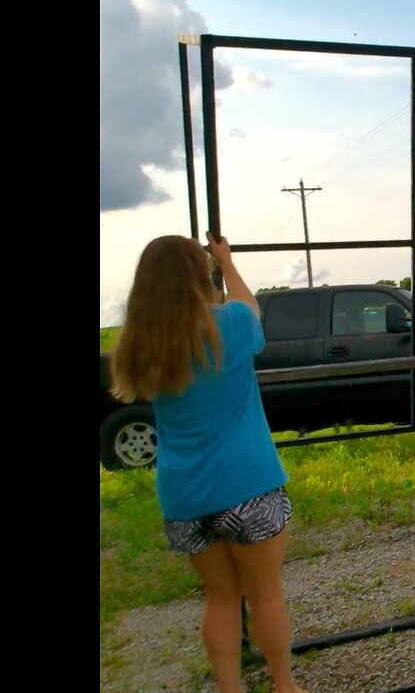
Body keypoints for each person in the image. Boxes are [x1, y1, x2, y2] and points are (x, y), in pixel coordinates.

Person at [110, 232, 306, 693]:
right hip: (248, 485)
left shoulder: (141, 344)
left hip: (183, 495)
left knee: (219, 599)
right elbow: (250, 308)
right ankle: (284, 686)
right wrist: (227, 263)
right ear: (199, 276)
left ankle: (230, 689)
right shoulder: (230, 324)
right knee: (265, 594)